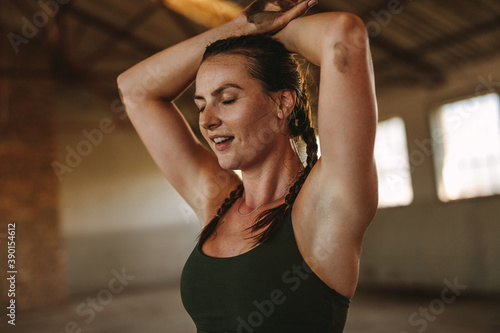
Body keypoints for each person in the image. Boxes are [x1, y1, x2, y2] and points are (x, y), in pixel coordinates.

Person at [117, 0, 378, 331]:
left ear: (283, 102)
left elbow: (345, 33)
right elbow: (134, 90)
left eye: (227, 100)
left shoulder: (326, 205)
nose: (208, 121)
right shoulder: (217, 201)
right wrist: (240, 28)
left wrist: (266, 35)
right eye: (200, 105)